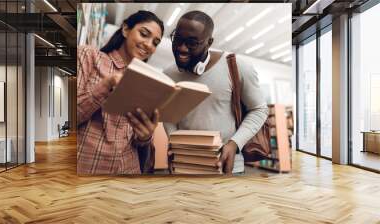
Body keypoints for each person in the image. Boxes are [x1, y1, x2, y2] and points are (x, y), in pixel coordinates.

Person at [163, 11, 268, 174]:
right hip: (184, 163)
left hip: (226, 166)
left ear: (209, 42)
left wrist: (234, 144)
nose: (181, 49)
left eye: (192, 43)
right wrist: (173, 142)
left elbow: (259, 109)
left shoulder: (237, 66)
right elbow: (169, 114)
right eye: (178, 40)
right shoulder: (169, 74)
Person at [77, 10, 164, 175]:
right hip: (89, 168)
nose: (148, 44)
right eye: (144, 34)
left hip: (129, 170)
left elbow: (138, 138)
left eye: (155, 42)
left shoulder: (146, 81)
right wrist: (106, 85)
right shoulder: (89, 56)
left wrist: (145, 136)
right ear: (125, 29)